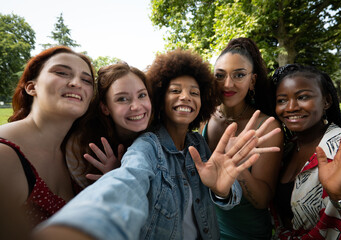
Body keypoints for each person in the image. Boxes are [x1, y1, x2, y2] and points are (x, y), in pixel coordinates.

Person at [34, 49, 281, 240]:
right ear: (160, 99)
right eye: (176, 91)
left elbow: (226, 195)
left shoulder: (198, 142)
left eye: (194, 93)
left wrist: (221, 190)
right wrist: (84, 225)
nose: (186, 97)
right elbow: (128, 181)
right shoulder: (147, 146)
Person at [0, 46, 95, 227]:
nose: (77, 83)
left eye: (87, 80)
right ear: (31, 87)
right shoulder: (4, 155)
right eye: (62, 72)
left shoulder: (76, 155)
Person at [199, 37, 283, 239]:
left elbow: (262, 201)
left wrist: (239, 165)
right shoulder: (205, 118)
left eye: (239, 75)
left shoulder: (266, 126)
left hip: (245, 233)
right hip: (205, 227)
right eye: (220, 75)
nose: (228, 84)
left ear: (252, 80)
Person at [271, 64, 341, 239]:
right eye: (282, 100)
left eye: (302, 97)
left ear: (326, 101)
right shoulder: (286, 148)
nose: (290, 107)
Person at [65, 62, 152, 187]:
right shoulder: (81, 146)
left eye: (142, 95)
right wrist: (112, 181)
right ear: (105, 108)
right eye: (122, 99)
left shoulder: (163, 134)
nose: (137, 107)